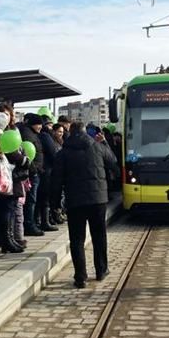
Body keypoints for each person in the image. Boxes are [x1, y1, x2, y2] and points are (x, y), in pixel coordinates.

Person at [52, 122, 118, 288]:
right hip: (98, 200)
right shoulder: (97, 147)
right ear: (85, 132)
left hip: (75, 201)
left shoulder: (63, 153)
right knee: (99, 236)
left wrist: (55, 204)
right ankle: (101, 270)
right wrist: (104, 142)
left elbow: (56, 180)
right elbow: (113, 162)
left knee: (77, 239)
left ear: (70, 133)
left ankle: (80, 277)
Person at [19, 114, 46, 236]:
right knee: (31, 200)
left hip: (34, 170)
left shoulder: (32, 133)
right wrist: (35, 169)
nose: (40, 127)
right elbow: (28, 153)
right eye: (38, 124)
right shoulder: (27, 134)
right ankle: (29, 224)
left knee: (32, 200)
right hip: (32, 172)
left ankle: (31, 223)